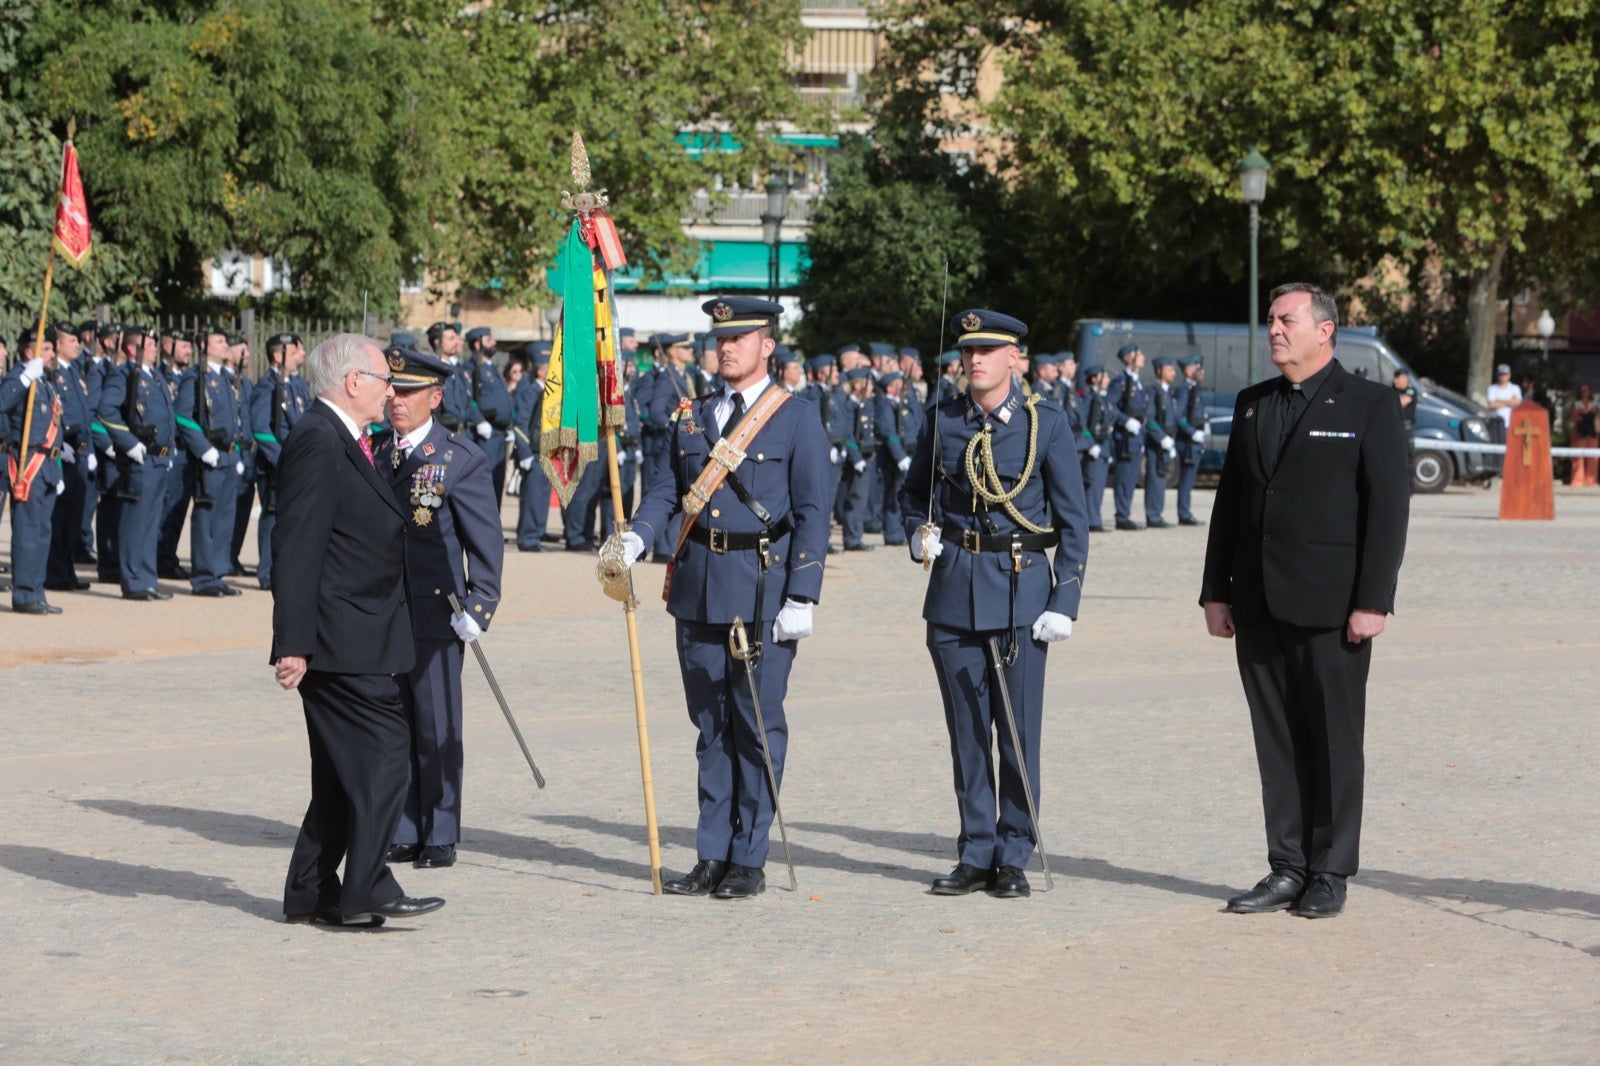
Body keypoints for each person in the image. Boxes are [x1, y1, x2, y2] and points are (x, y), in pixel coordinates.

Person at [1200, 283, 1409, 920]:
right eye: (1270, 321)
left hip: (1333, 608)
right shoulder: (1251, 404)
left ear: (1325, 331)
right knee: (1278, 742)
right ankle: (1286, 866)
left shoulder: (1370, 405)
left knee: (1334, 742)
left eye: (1286, 320)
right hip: (1258, 603)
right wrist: (1215, 592)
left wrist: (1373, 600)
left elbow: (1388, 512)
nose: (1274, 330)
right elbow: (1230, 505)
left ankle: (1330, 869)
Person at [613, 295, 830, 900]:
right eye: (720, 338)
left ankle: (748, 856)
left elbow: (814, 512)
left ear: (768, 345)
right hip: (698, 586)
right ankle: (711, 852)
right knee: (709, 727)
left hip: (763, 589)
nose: (726, 347)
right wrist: (638, 536)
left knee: (755, 726)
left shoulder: (795, 416)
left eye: (740, 337)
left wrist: (803, 594)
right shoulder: (691, 415)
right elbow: (665, 488)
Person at [900, 309, 1091, 899]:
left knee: (1016, 732)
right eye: (967, 351)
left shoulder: (1045, 424)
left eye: (988, 350)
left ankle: (1013, 851)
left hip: (1019, 593)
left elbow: (1074, 521)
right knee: (966, 735)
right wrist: (917, 531)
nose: (974, 360)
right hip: (955, 591)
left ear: (1016, 359)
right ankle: (975, 849)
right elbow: (912, 495)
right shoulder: (943, 421)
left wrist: (1065, 597)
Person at [271, 333, 444, 928]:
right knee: (387, 754)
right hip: (341, 637)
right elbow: (296, 546)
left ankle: (310, 891)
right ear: (352, 383)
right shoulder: (318, 440)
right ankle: (367, 885)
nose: (390, 391)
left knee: (341, 773)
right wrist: (293, 641)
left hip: (360, 630)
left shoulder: (346, 439)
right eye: (382, 380)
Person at [373, 348, 504, 870]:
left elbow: (485, 540)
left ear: (434, 396)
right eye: (391, 390)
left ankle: (441, 828)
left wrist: (481, 601)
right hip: (385, 611)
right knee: (395, 723)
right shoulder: (377, 453)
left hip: (435, 610)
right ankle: (404, 825)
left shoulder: (459, 457)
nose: (395, 401)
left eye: (406, 392)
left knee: (436, 722)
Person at [95, 325, 176, 602]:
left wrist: (170, 450)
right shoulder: (125, 374)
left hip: (158, 459)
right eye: (151, 344)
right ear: (133, 348)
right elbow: (105, 411)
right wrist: (129, 445)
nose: (155, 348)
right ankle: (132, 580)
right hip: (140, 459)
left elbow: (167, 416)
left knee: (151, 523)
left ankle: (147, 578)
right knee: (135, 522)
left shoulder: (153, 376)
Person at [174, 325, 248, 597]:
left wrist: (237, 452)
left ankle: (217, 572)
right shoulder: (196, 377)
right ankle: (204, 577)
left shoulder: (225, 379)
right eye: (219, 341)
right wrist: (203, 449)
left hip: (229, 455)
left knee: (225, 518)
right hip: (211, 456)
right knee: (207, 517)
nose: (224, 345)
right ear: (204, 346)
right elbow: (182, 417)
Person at [2, 328, 66, 614]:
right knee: (27, 532)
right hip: (28, 465)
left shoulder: (45, 383)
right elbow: (2, 402)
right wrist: (26, 375)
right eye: (48, 349)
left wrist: (59, 470)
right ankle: (25, 595)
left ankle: (36, 591)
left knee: (42, 532)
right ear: (30, 351)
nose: (52, 355)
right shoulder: (20, 378)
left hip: (49, 466)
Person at [249, 333, 311, 591]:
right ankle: (267, 572)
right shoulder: (268, 385)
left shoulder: (296, 384)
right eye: (296, 351)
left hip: (296, 462)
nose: (303, 355)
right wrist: (281, 458)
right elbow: (261, 428)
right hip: (276, 465)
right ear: (278, 355)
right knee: (273, 516)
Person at [512, 341, 554, 551]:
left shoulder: (547, 390)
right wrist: (525, 453)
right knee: (532, 497)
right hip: (533, 451)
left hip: (546, 450)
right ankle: (528, 538)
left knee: (542, 496)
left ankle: (537, 532)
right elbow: (520, 424)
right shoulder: (529, 391)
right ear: (540, 371)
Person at [1106, 343, 1150, 530]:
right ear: (1129, 358)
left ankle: (1125, 513)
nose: (1143, 357)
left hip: (1136, 436)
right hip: (1125, 437)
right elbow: (1109, 406)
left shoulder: (1137, 381)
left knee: (1131, 477)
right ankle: (1122, 516)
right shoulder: (1121, 381)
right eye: (1139, 354)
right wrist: (1125, 421)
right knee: (1124, 477)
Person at [1143, 356, 1180, 528]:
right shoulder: (1154, 391)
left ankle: (1157, 513)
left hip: (1167, 440)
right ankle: (1153, 515)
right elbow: (1149, 419)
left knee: (1162, 477)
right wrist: (1161, 437)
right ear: (1159, 371)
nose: (1173, 372)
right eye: (1169, 369)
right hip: (1157, 443)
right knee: (1155, 478)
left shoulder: (1167, 392)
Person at [1174, 356, 1208, 526]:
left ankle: (1185, 511)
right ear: (1188, 370)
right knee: (1186, 479)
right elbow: (1178, 416)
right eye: (1197, 367)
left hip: (1194, 441)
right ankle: (1184, 513)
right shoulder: (1184, 390)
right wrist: (1192, 433)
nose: (1201, 370)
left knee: (1190, 479)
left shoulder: (1195, 389)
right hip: (1187, 442)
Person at [1569, 383, 1598, 486]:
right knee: (1578, 456)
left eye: (1586, 390)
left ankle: (1591, 480)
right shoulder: (1576, 404)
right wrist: (1582, 417)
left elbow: (1598, 417)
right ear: (1579, 392)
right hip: (1579, 432)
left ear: (1590, 391)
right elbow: (1571, 417)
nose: (1584, 392)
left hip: (1592, 432)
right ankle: (1578, 480)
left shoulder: (1594, 404)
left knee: (1593, 456)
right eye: (1582, 390)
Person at [1485, 363, 1521, 430]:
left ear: (1509, 375)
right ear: (1497, 375)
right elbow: (1491, 405)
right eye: (1501, 374)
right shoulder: (1492, 388)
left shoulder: (1515, 388)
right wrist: (1510, 402)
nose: (1503, 377)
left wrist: (1499, 401)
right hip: (1496, 423)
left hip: (1511, 423)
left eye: (1505, 374)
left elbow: (1517, 403)